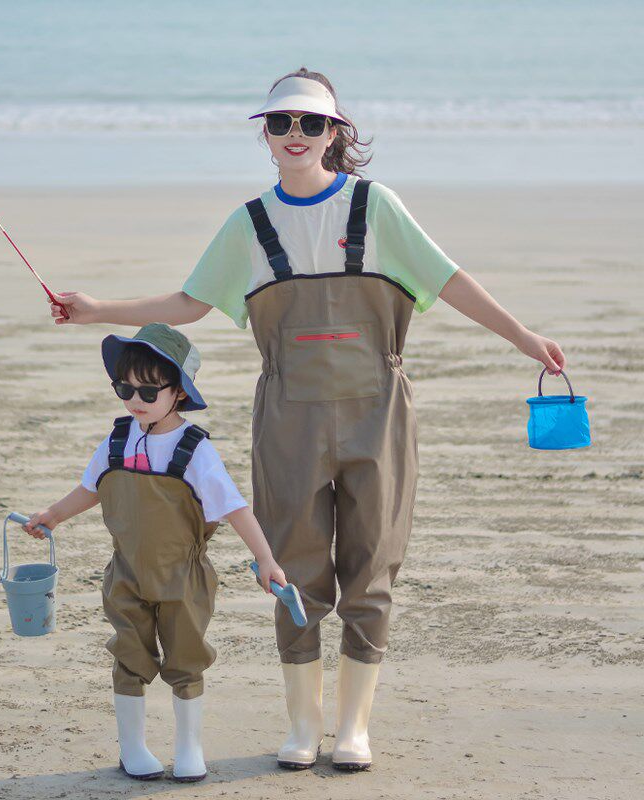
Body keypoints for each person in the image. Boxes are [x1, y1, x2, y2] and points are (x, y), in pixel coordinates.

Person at [44, 68, 566, 771]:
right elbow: (191, 302)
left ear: (335, 132)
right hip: (287, 416)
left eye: (310, 123)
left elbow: (448, 279)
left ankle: (352, 728)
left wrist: (524, 338)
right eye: (280, 123)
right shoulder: (250, 224)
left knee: (371, 563)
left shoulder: (376, 207)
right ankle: (302, 726)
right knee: (292, 564)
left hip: (377, 412)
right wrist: (98, 310)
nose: (295, 135)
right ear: (264, 134)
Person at [23, 323, 286, 782]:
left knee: (186, 659)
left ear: (179, 393)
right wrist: (54, 514)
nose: (134, 399)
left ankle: (188, 749)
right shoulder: (116, 441)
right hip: (125, 571)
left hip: (182, 577)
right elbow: (89, 490)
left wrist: (266, 559)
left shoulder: (196, 451)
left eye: (147, 390)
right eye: (124, 387)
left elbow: (235, 509)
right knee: (129, 656)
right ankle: (134, 749)